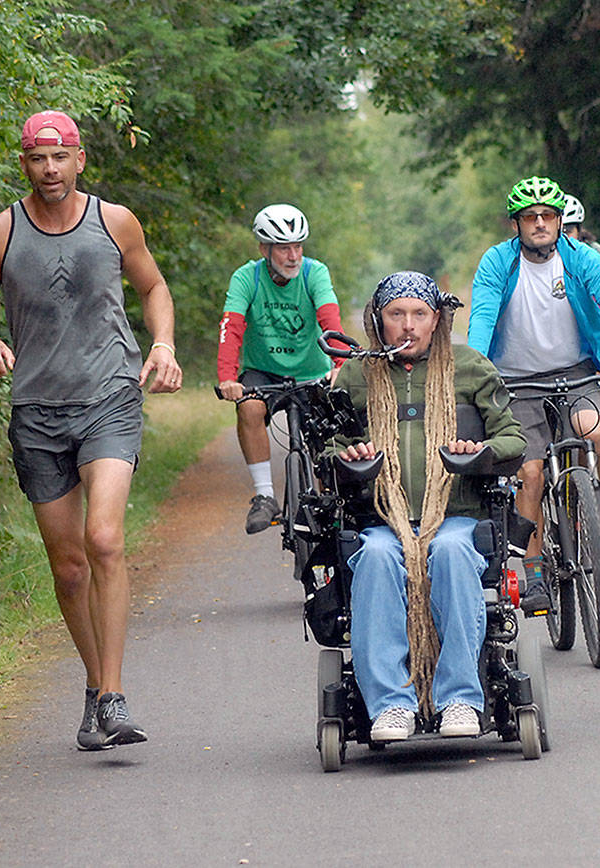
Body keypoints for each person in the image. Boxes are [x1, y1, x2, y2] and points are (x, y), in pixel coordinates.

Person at [0, 110, 182, 749]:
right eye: (37, 158)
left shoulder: (114, 221)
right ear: (24, 162)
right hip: (37, 410)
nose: (49, 169)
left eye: (60, 157)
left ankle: (113, 696)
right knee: (69, 565)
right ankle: (93, 684)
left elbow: (154, 285)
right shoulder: (0, 232)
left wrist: (162, 345)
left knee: (104, 538)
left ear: (80, 159)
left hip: (108, 397)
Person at [334, 272, 525, 741]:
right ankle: (390, 706)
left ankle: (460, 698)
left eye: (419, 314)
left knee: (454, 552)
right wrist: (345, 456)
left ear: (436, 320)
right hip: (382, 521)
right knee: (376, 558)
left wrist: (479, 454)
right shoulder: (356, 375)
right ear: (378, 321)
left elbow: (513, 438)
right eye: (396, 314)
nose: (408, 326)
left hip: (458, 517)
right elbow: (328, 445)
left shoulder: (470, 367)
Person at [468, 176, 600, 617]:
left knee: (593, 433)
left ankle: (588, 503)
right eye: (530, 217)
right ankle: (536, 568)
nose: (540, 223)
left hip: (576, 370)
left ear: (560, 221)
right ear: (516, 224)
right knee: (531, 472)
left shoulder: (582, 260)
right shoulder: (498, 262)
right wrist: (475, 372)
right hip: (516, 380)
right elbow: (481, 318)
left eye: (548, 216)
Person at [217, 204, 345, 534]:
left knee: (328, 429)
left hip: (312, 370)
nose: (293, 256)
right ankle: (264, 497)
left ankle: (329, 497)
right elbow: (232, 326)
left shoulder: (314, 273)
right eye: (284, 248)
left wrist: (340, 364)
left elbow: (329, 317)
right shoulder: (247, 277)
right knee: (248, 407)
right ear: (264, 249)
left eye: (298, 246)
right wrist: (228, 377)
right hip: (264, 371)